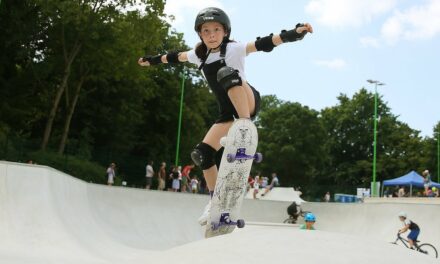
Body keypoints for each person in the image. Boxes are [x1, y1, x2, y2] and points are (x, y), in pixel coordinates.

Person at [138, 7, 313, 225]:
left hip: (247, 103)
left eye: (216, 30)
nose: (211, 35)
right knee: (201, 154)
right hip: (227, 115)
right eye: (206, 31)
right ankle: (215, 201)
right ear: (200, 34)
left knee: (226, 73)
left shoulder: (234, 48)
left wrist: (293, 34)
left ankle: (244, 127)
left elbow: (264, 43)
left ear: (225, 32)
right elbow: (174, 56)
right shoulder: (198, 55)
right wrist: (152, 60)